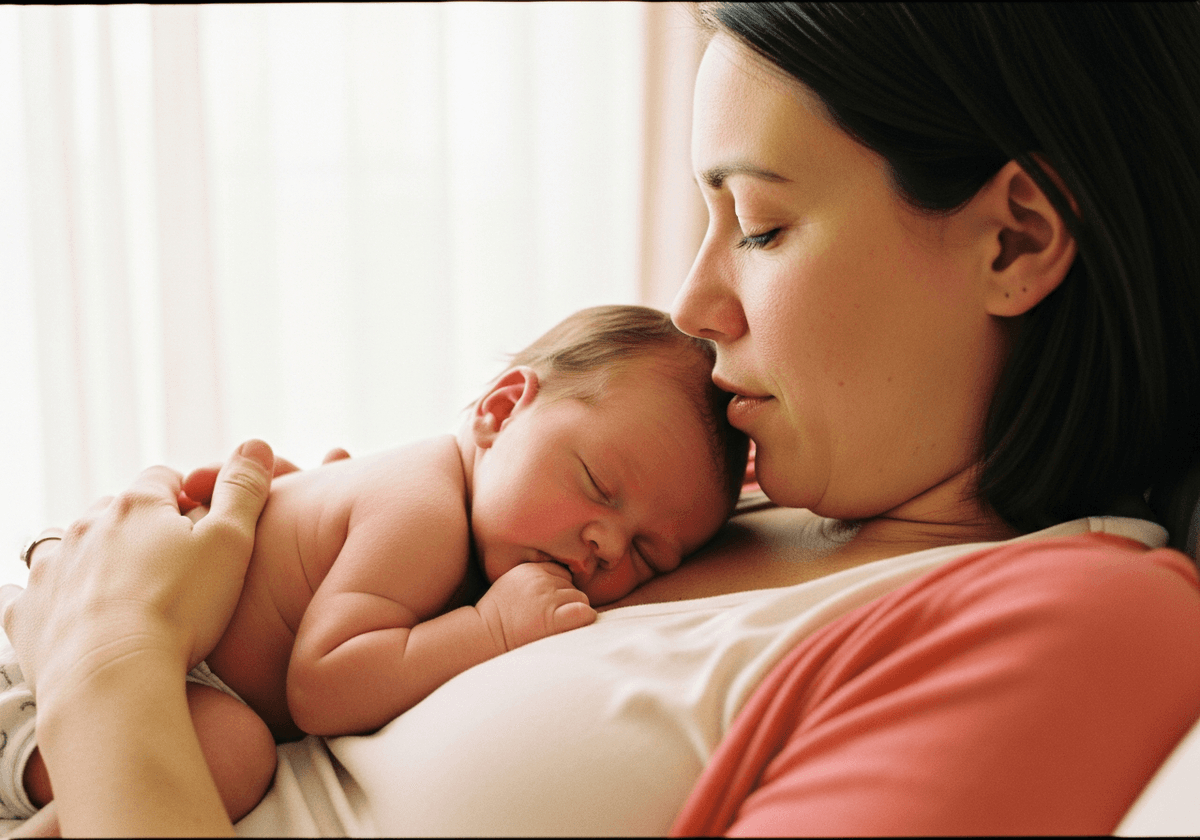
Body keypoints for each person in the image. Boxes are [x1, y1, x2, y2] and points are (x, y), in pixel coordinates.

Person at [6, 2, 1200, 835]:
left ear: (1018, 239)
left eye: (763, 225)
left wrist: (105, 666)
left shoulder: (1081, 619)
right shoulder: (726, 487)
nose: (691, 301)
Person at [0, 305, 748, 828]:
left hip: (141, 654)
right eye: (596, 484)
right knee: (233, 754)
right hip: (75, 670)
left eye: (651, 553)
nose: (608, 546)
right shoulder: (422, 514)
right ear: (502, 408)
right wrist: (487, 630)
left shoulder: (448, 504)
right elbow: (323, 684)